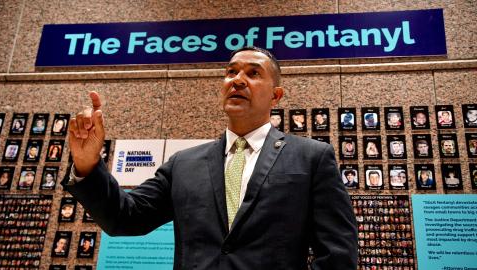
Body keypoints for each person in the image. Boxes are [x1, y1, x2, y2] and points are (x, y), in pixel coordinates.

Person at [64, 46, 358, 269]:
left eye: (253, 73)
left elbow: (337, 253)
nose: (238, 80)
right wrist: (88, 165)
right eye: (231, 72)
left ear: (276, 95)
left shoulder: (312, 158)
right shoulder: (184, 164)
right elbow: (123, 218)